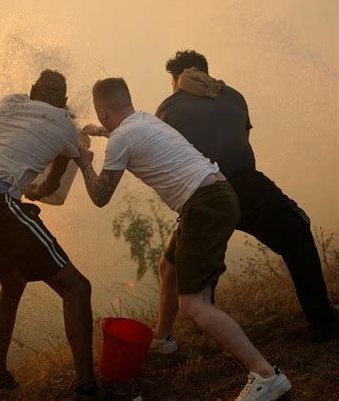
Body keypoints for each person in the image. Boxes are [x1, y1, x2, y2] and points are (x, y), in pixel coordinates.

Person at [77, 78, 292, 401]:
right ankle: (162, 340)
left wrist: (84, 164)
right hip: (216, 195)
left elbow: (100, 196)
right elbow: (123, 135)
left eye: (103, 119)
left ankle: (265, 375)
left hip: (204, 205)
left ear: (104, 111)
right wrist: (100, 131)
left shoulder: (122, 138)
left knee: (193, 304)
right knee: (169, 267)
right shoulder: (143, 120)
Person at [0, 70, 123, 400]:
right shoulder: (65, 127)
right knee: (76, 287)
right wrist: (37, 190)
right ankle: (87, 387)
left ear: (30, 90)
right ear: (66, 102)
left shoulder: (10, 103)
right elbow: (51, 187)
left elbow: (1, 109)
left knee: (13, 281)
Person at [154, 50, 338, 344]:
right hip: (247, 184)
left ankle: (201, 329)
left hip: (204, 195)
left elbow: (168, 160)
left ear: (176, 79)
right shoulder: (233, 96)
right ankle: (322, 322)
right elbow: (242, 140)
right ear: (206, 71)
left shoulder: (169, 107)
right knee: (297, 232)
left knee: (185, 261)